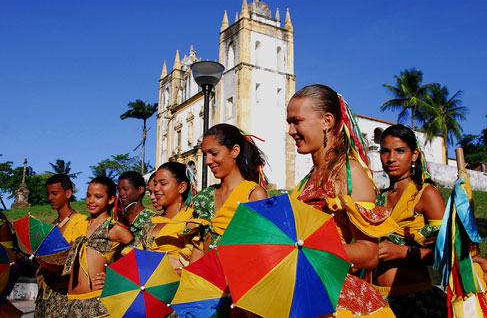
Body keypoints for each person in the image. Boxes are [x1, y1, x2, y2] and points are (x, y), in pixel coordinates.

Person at [287, 84, 396, 317]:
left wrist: (314, 252)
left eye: (297, 121)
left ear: (327, 121)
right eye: (289, 123)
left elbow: (369, 253)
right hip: (304, 294)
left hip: (337, 299)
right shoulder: (304, 183)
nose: (291, 131)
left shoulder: (349, 173)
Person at [371, 124, 447, 316]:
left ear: (414, 155)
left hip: (415, 301)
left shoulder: (425, 195)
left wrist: (403, 252)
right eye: (385, 151)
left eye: (400, 151)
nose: (391, 158)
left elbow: (446, 255)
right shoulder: (378, 198)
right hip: (378, 301)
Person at [189, 123, 268, 263]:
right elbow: (199, 247)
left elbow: (260, 245)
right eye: (205, 155)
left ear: (235, 151)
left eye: (214, 153)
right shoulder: (204, 197)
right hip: (206, 278)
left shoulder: (253, 194)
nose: (208, 161)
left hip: (239, 274)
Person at [62, 176, 133, 317]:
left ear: (111, 199)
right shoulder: (78, 226)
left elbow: (137, 257)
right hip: (71, 301)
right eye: (88, 196)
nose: (91, 200)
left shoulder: (113, 228)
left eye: (98, 196)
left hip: (98, 300)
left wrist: (113, 277)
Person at [34, 174, 87, 318]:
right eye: (48, 194)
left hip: (65, 294)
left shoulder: (81, 222)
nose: (50, 198)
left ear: (68, 193)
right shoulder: (51, 226)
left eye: (54, 193)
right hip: (45, 294)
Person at [138, 162, 196, 272]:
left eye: (163, 183)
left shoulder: (191, 218)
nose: (156, 189)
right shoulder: (153, 220)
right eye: (155, 184)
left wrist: (172, 273)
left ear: (182, 187)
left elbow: (195, 264)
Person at [117, 171, 156, 239]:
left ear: (140, 190)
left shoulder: (152, 218)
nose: (121, 193)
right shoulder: (119, 217)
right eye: (119, 190)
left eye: (125, 189)